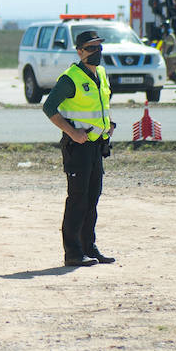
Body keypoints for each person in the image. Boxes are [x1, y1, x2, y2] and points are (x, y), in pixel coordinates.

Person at [44, 29, 117, 268]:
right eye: (91, 48)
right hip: (78, 147)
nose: (97, 52)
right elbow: (49, 108)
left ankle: (89, 246)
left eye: (99, 47)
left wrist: (108, 125)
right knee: (78, 199)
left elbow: (101, 105)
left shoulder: (102, 74)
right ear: (79, 51)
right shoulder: (70, 78)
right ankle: (73, 252)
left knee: (93, 197)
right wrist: (72, 132)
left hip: (97, 145)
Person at [158, 24, 176, 93]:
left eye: (163, 28)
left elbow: (170, 47)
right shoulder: (167, 36)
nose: (162, 29)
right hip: (169, 57)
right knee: (173, 71)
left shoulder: (170, 36)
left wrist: (166, 54)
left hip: (172, 57)